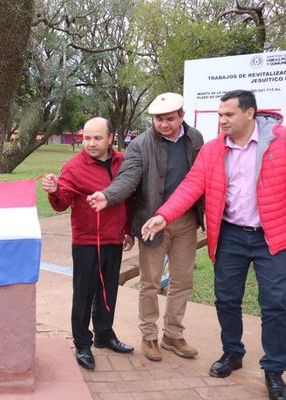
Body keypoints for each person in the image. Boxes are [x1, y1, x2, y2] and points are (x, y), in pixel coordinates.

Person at [142, 90, 286, 400]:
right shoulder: (214, 149)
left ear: (250, 113)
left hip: (273, 236)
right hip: (230, 235)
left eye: (229, 114)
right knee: (226, 299)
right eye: (220, 115)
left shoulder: (284, 141)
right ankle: (233, 353)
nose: (223, 120)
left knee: (275, 305)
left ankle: (274, 370)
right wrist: (163, 215)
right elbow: (191, 186)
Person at [87, 93, 204, 362]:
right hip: (152, 222)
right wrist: (108, 195)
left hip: (185, 221)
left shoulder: (195, 139)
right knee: (150, 282)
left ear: (182, 117)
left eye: (169, 119)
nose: (163, 124)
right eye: (158, 119)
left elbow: (202, 177)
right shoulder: (141, 144)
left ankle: (173, 334)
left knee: (182, 280)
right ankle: (149, 335)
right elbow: (128, 178)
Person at [42, 117, 135, 371]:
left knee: (108, 291)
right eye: (86, 138)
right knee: (84, 294)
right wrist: (53, 191)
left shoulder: (121, 162)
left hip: (114, 239)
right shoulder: (73, 167)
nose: (91, 143)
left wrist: (127, 231)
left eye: (97, 138)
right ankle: (83, 342)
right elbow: (62, 202)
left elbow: (126, 198)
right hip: (86, 241)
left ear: (110, 138)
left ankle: (104, 334)